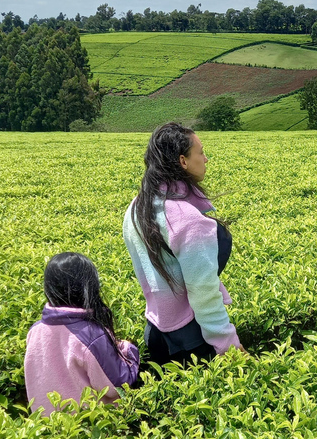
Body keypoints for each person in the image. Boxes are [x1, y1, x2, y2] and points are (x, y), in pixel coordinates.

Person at [123, 122, 245, 367]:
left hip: (156, 333)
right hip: (192, 342)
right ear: (183, 161)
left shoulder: (136, 208)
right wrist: (229, 346)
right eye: (200, 152)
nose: (206, 158)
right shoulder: (186, 219)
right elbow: (204, 293)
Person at [25, 252, 140, 415]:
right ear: (90, 287)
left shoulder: (35, 331)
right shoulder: (91, 335)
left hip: (46, 427)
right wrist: (129, 350)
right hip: (91, 429)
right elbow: (118, 385)